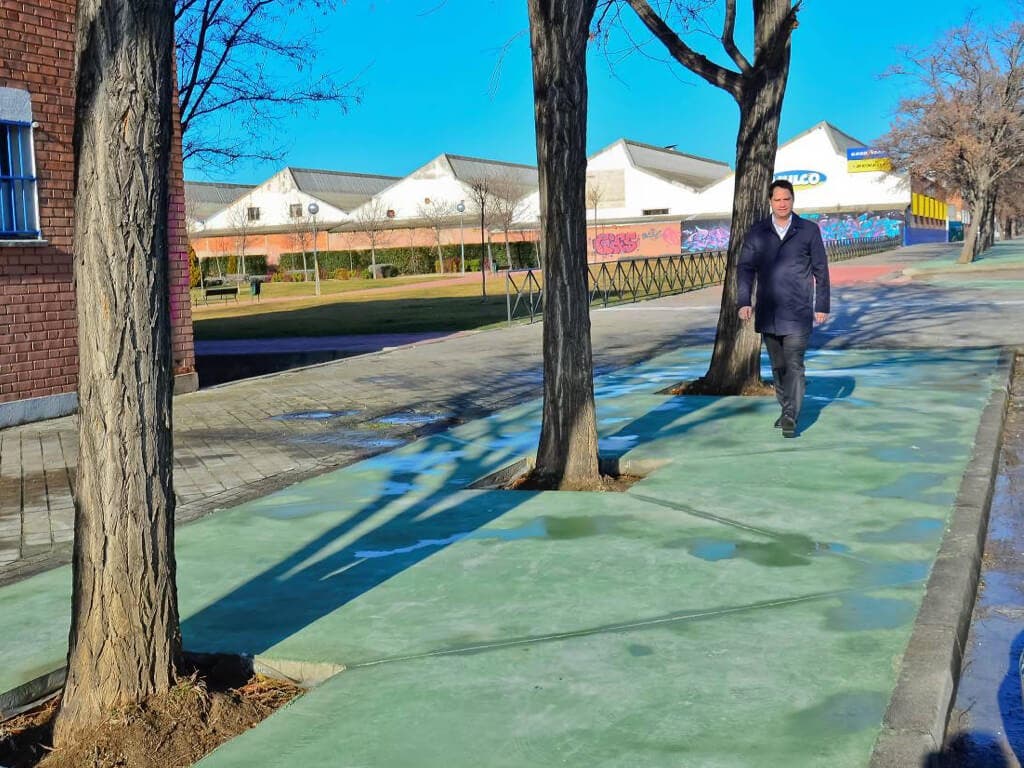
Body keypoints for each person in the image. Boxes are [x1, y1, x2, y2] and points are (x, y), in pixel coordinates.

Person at [737, 179, 830, 438]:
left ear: (793, 200)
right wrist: (743, 300)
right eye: (777, 199)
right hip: (768, 311)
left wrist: (821, 305)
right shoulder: (757, 232)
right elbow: (744, 268)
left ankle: (791, 416)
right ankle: (786, 408)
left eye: (786, 199)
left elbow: (821, 270)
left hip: (798, 311)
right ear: (770, 201)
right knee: (778, 367)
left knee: (794, 364)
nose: (782, 203)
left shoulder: (808, 230)